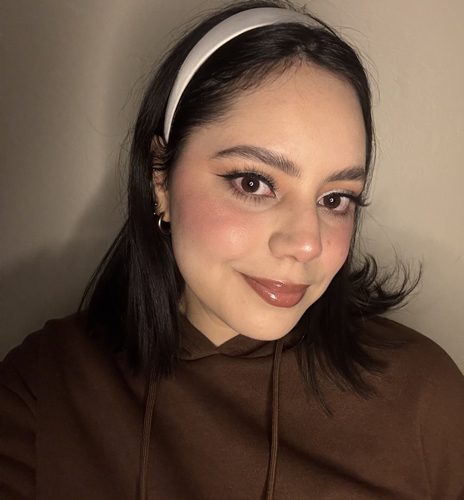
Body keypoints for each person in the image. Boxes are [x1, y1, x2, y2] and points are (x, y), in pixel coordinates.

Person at [1, 0, 464, 498]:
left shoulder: (425, 398)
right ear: (160, 178)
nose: (307, 244)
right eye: (253, 182)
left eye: (335, 199)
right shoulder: (44, 393)